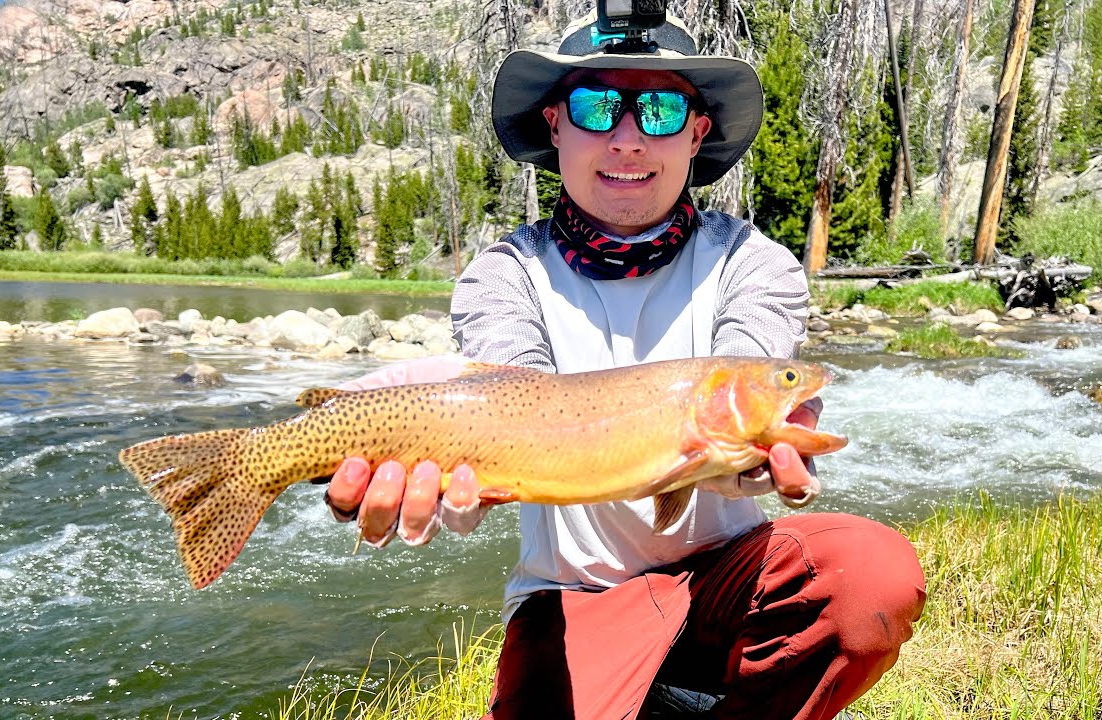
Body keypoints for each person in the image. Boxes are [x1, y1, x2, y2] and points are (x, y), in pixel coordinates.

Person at [324, 13, 925, 720]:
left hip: (726, 582)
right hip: (572, 596)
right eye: (597, 106)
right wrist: (453, 477)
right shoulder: (504, 275)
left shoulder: (753, 265)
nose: (629, 136)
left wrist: (757, 455)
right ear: (555, 125)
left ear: (697, 132)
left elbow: (747, 386)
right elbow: (522, 407)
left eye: (663, 109)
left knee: (870, 578)